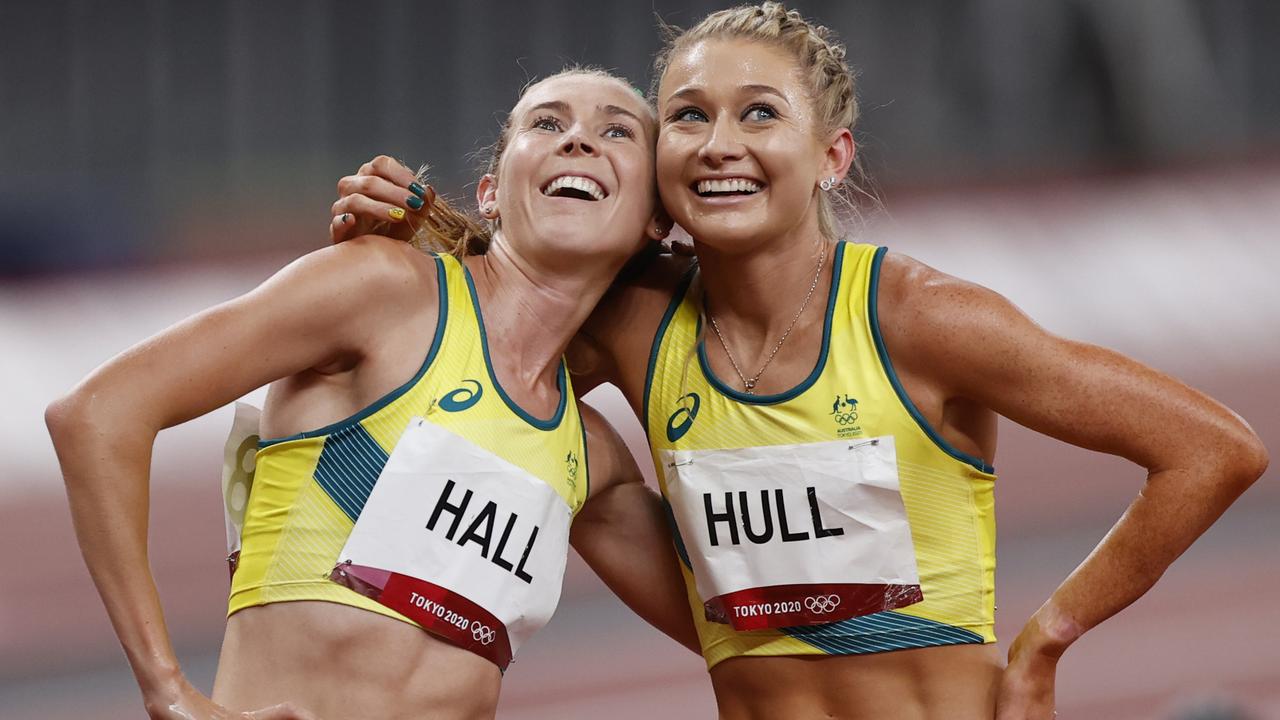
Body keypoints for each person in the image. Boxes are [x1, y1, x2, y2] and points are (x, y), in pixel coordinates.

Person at [336, 4, 1268, 719]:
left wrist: (1046, 642)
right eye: (690, 117)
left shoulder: (922, 320)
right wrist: (418, 230)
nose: (721, 145)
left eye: (759, 115)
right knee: (559, 449)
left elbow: (1213, 448)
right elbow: (483, 337)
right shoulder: (637, 323)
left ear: (831, 155)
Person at [45, 68, 698, 720]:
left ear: (654, 218)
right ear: (491, 192)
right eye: (547, 123)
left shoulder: (587, 454)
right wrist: (167, 690)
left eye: (615, 131)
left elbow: (742, 631)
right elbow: (96, 417)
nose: (578, 141)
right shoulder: (384, 290)